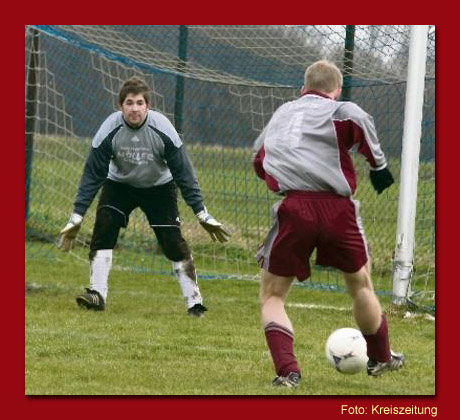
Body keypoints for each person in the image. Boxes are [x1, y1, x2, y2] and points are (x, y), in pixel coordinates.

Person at [252, 60, 404, 387]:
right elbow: (358, 118)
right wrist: (378, 166)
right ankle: (381, 357)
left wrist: (276, 176)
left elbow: (259, 157)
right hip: (338, 209)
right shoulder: (338, 109)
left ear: (303, 88)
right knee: (360, 284)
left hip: (294, 207)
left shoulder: (282, 113)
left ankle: (288, 371)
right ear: (335, 90)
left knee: (272, 295)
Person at [59, 76, 230, 317]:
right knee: (104, 227)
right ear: (120, 106)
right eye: (129, 103)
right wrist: (76, 216)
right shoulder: (109, 129)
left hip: (159, 188)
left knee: (172, 242)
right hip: (119, 186)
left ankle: (194, 302)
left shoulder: (163, 129)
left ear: (148, 106)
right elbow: (93, 174)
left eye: (140, 103)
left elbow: (184, 173)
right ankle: (97, 294)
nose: (135, 108)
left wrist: (201, 212)